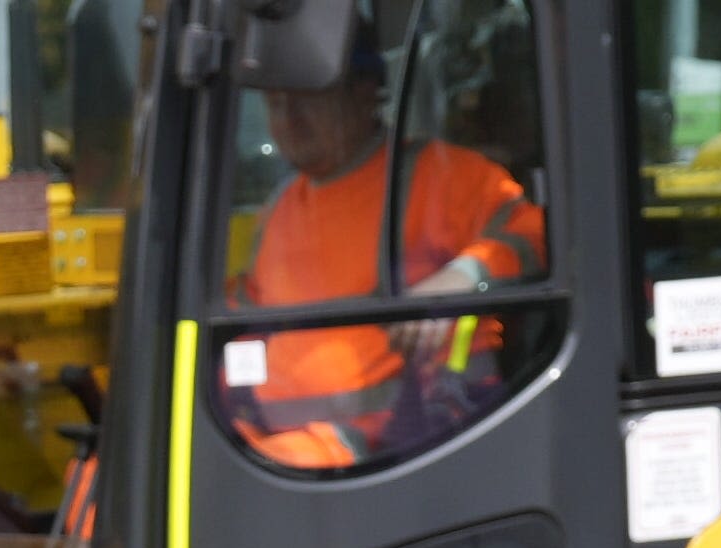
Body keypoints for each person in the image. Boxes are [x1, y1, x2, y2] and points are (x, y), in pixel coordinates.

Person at [222, 50, 547, 470]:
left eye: (306, 98)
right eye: (275, 104)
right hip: (269, 446)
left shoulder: (435, 176)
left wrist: (460, 279)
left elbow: (537, 232)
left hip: (386, 448)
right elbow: (245, 317)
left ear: (364, 94)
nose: (288, 120)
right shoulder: (279, 207)